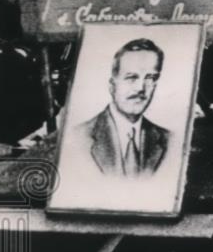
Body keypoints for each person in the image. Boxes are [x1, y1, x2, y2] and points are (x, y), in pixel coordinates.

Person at [72, 39, 171, 178]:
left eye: (150, 78)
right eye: (131, 77)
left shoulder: (171, 140)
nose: (140, 88)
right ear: (112, 86)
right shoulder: (77, 138)